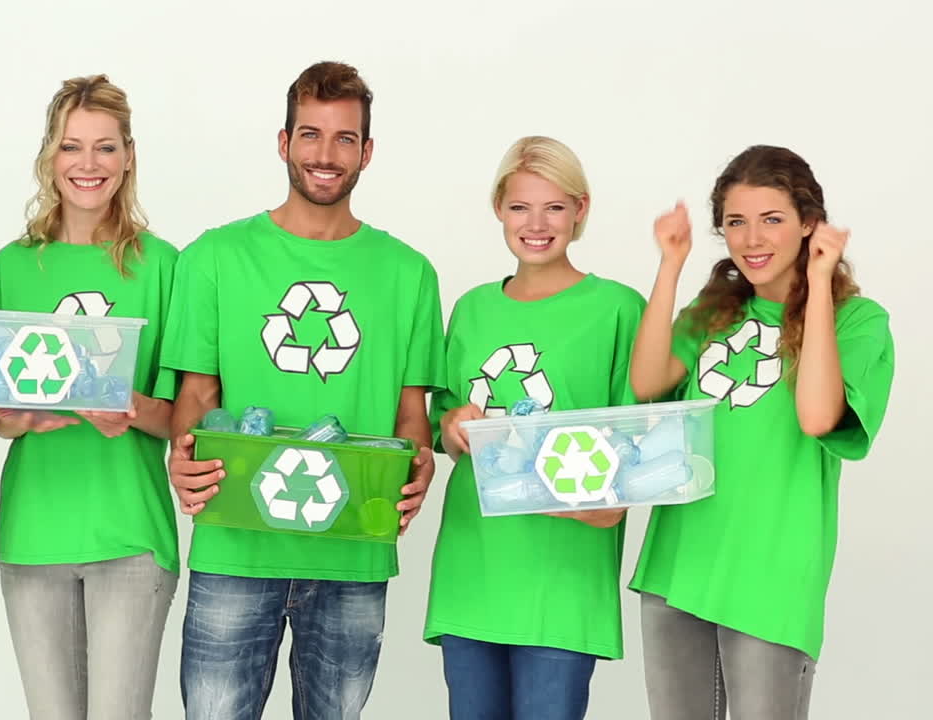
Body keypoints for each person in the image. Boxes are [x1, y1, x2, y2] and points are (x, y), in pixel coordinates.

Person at [161, 60, 445, 719]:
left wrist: (421, 460)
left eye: (345, 138)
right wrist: (182, 453)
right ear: (284, 142)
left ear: (366, 152)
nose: (325, 154)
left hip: (351, 550)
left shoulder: (409, 274)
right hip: (236, 543)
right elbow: (197, 396)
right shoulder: (215, 257)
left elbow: (411, 414)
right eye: (311, 134)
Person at [628, 145, 896, 720]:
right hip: (680, 562)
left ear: (809, 223)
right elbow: (647, 381)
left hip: (770, 576)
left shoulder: (859, 321)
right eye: (735, 222)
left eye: (772, 219)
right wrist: (670, 265)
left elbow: (817, 417)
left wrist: (818, 284)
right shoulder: (714, 310)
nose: (752, 239)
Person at [425, 136, 646, 720]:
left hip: (563, 572)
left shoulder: (619, 309)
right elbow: (442, 419)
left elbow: (638, 436)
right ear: (499, 208)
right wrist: (451, 425)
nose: (537, 224)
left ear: (581, 209)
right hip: (475, 565)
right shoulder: (472, 308)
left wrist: (612, 502)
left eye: (554, 207)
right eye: (521, 207)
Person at [0, 74, 179, 720]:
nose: (87, 164)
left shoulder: (163, 266)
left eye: (105, 147)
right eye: (71, 146)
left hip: (129, 533)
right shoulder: (12, 267)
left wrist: (133, 409)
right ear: (50, 155)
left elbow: (189, 415)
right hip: (33, 533)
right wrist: (10, 418)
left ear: (129, 156)